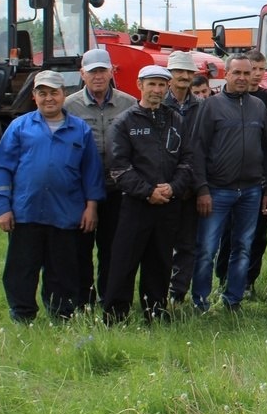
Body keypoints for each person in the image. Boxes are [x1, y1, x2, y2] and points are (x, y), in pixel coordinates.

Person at [0, 70, 104, 322]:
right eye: (42, 93)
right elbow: (1, 169)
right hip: (25, 213)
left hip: (65, 214)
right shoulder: (20, 128)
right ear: (34, 96)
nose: (48, 98)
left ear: (64, 95)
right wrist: (3, 208)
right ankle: (22, 315)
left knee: (62, 270)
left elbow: (91, 172)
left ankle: (61, 314)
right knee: (21, 268)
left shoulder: (80, 130)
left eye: (54, 92)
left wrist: (91, 207)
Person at [103, 65, 195, 323]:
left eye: (161, 85)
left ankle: (155, 312)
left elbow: (187, 159)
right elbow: (118, 167)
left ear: (167, 88)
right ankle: (115, 316)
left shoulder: (176, 120)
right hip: (136, 204)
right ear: (139, 85)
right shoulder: (125, 122)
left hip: (168, 203)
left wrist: (173, 187)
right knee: (124, 262)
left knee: (160, 262)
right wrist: (148, 192)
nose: (156, 90)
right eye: (151, 84)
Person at [191, 55, 267, 312]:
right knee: (207, 249)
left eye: (246, 73)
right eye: (236, 72)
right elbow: (197, 150)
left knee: (243, 247)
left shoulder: (259, 107)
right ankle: (200, 302)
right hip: (217, 190)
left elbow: (266, 149)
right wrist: (202, 189)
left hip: (251, 190)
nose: (242, 78)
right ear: (225, 74)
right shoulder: (210, 106)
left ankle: (233, 299)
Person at [65, 47, 136, 307]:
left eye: (103, 71)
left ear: (111, 72)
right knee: (80, 249)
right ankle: (83, 300)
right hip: (81, 191)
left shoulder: (128, 103)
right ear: (82, 74)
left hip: (118, 189)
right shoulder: (69, 105)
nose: (98, 76)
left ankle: (109, 299)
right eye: (92, 71)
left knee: (113, 249)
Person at [165, 50, 206, 304]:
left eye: (188, 72)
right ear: (169, 75)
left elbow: (205, 147)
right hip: (163, 185)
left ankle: (177, 294)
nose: (183, 76)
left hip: (191, 185)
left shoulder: (202, 106)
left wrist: (201, 187)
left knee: (188, 245)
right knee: (161, 243)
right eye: (178, 72)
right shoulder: (159, 102)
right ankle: (157, 291)